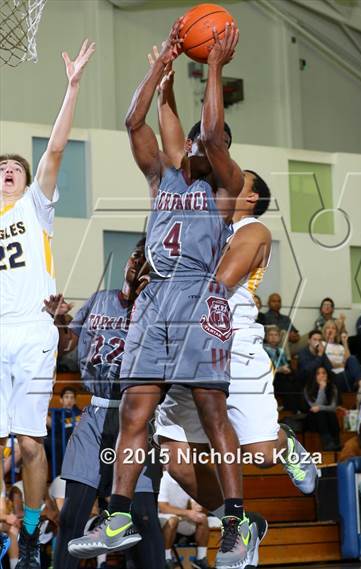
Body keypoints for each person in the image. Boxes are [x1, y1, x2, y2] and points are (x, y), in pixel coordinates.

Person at [70, 22, 254, 569]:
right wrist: (161, 68)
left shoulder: (224, 184)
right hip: (153, 301)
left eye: (206, 140)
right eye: (194, 138)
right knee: (135, 411)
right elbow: (134, 120)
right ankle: (119, 514)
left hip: (199, 296)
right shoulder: (161, 178)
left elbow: (217, 134)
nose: (199, 142)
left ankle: (240, 523)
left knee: (209, 407)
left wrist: (212, 67)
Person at [149, 34, 317, 566]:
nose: (224, 179)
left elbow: (216, 283)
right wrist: (165, 85)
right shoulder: (196, 199)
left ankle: (283, 441)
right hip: (184, 342)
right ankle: (242, 521)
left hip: (231, 345)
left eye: (235, 181)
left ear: (249, 197)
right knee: (175, 459)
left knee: (259, 453)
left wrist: (214, 68)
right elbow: (177, 145)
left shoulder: (252, 231)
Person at [0, 39, 95, 569]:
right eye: (2, 167)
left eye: (15, 166)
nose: (9, 170)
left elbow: (55, 150)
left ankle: (34, 534)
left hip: (32, 329)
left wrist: (73, 85)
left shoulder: (35, 208)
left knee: (31, 444)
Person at [45, 243, 165, 569]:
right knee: (72, 515)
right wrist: (58, 320)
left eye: (147, 264)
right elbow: (69, 340)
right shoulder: (100, 300)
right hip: (96, 412)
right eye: (135, 257)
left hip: (135, 417)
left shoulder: (157, 312)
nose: (137, 265)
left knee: (141, 518)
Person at [158, 472, 211, 569]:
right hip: (162, 517)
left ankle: (201, 558)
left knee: (202, 518)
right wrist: (188, 512)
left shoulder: (190, 479)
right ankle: (166, 559)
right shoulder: (164, 478)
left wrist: (198, 507)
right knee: (172, 520)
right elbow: (163, 507)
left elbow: (194, 504)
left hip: (182, 518)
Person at [264, 326, 304, 412]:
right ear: (266, 337)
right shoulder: (263, 350)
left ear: (279, 338)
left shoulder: (280, 350)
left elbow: (286, 363)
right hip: (272, 376)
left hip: (283, 374)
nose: (273, 337)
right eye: (270, 335)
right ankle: (293, 410)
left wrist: (287, 369)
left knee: (298, 381)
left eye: (276, 335)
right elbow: (265, 368)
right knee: (286, 384)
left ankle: (301, 408)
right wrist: (279, 369)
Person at [44, 387, 82, 475]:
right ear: (61, 400)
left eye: (72, 398)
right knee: (54, 443)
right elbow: (53, 425)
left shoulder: (80, 414)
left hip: (74, 442)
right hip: (58, 442)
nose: (69, 400)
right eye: (66, 397)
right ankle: (58, 477)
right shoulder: (56, 414)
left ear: (75, 401)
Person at [304, 366, 341, 451]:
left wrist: (320, 407)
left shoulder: (332, 387)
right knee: (320, 414)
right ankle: (328, 443)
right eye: (318, 373)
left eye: (324, 373)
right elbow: (314, 407)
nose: (321, 375)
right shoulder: (308, 389)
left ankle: (336, 442)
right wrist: (321, 389)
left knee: (330, 413)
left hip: (328, 417)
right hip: (313, 420)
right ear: (314, 376)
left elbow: (333, 407)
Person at [321, 320, 361, 392]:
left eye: (333, 328)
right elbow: (325, 362)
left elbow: (349, 360)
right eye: (328, 328)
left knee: (353, 358)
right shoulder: (321, 344)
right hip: (332, 374)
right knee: (344, 375)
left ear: (336, 333)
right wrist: (341, 365)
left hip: (344, 372)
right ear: (325, 331)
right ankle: (358, 387)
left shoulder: (340, 347)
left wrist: (345, 342)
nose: (330, 330)